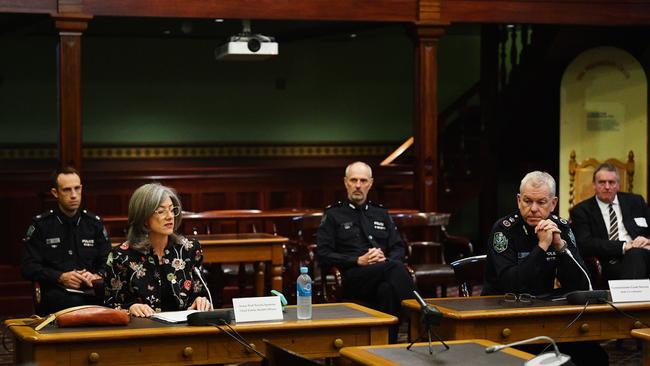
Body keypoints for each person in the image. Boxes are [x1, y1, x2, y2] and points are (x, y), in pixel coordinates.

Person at [483, 171, 607, 366]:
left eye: (541, 202)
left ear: (553, 203)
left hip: (544, 313)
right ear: (518, 200)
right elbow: (511, 284)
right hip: (504, 315)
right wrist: (541, 247)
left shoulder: (561, 227)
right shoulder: (504, 230)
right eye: (527, 201)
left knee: (596, 357)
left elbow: (582, 284)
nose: (533, 209)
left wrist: (560, 247)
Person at [316, 161, 414, 343]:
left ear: (370, 183)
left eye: (363, 180)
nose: (358, 185)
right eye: (354, 180)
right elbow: (322, 254)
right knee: (393, 269)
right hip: (353, 277)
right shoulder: (333, 214)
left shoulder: (381, 213)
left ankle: (387, 346)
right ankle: (419, 318)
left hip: (383, 274)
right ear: (346, 182)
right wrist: (357, 260)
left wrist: (385, 258)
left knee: (387, 289)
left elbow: (398, 248)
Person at [104, 183, 211, 316]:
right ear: (143, 217)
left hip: (184, 329)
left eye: (172, 210)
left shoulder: (188, 249)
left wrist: (201, 300)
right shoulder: (121, 256)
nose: (170, 216)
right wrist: (131, 308)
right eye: (161, 211)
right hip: (143, 331)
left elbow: (201, 292)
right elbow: (110, 305)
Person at [22, 167, 111, 315]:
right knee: (70, 303)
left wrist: (96, 275)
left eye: (77, 188)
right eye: (67, 190)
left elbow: (108, 260)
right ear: (55, 193)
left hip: (92, 291)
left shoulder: (94, 223)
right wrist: (60, 277)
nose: (74, 195)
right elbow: (28, 266)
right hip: (57, 293)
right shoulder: (41, 225)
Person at [570, 162, 650, 280]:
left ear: (618, 185)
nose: (607, 187)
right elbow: (585, 243)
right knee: (634, 254)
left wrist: (648, 240)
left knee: (637, 254)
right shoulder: (581, 210)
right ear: (594, 185)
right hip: (609, 261)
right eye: (602, 182)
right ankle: (631, 298)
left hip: (644, 255)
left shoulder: (635, 202)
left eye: (611, 182)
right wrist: (624, 246)